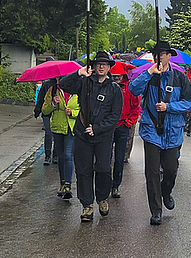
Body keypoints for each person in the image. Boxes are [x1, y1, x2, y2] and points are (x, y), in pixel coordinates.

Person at [128, 41, 191, 226]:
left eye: (163, 54)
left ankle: (166, 192)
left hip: (172, 132)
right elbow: (133, 90)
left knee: (171, 170)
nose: (160, 57)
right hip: (151, 131)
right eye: (157, 54)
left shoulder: (180, 78)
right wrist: (149, 73)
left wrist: (169, 107)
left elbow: (189, 101)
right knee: (152, 172)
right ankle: (156, 210)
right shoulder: (148, 75)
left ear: (169, 56)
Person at [59, 51, 123, 222]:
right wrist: (78, 72)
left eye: (105, 64)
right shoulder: (84, 83)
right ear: (94, 66)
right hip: (82, 135)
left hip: (103, 137)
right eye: (98, 64)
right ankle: (87, 205)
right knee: (83, 171)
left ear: (109, 67)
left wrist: (98, 128)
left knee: (103, 169)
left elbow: (115, 116)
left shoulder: (115, 89)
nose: (101, 66)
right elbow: (64, 84)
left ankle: (102, 198)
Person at [40, 80, 78, 200]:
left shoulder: (78, 90)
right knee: (61, 156)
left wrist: (73, 112)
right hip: (58, 128)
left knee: (68, 155)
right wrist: (53, 104)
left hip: (72, 128)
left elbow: (85, 111)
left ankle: (67, 184)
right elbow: (45, 110)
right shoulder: (53, 91)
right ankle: (62, 183)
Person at [111, 71, 140, 198]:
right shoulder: (108, 86)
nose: (117, 77)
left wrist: (128, 123)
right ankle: (105, 184)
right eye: (114, 75)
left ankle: (116, 185)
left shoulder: (130, 88)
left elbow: (136, 107)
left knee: (119, 158)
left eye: (119, 75)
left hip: (122, 127)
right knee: (105, 158)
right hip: (108, 127)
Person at [33, 58, 59, 165]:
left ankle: (56, 155)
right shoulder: (46, 84)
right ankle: (47, 156)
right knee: (48, 133)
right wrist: (37, 111)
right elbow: (40, 98)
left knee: (57, 134)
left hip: (58, 112)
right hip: (47, 112)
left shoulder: (64, 84)